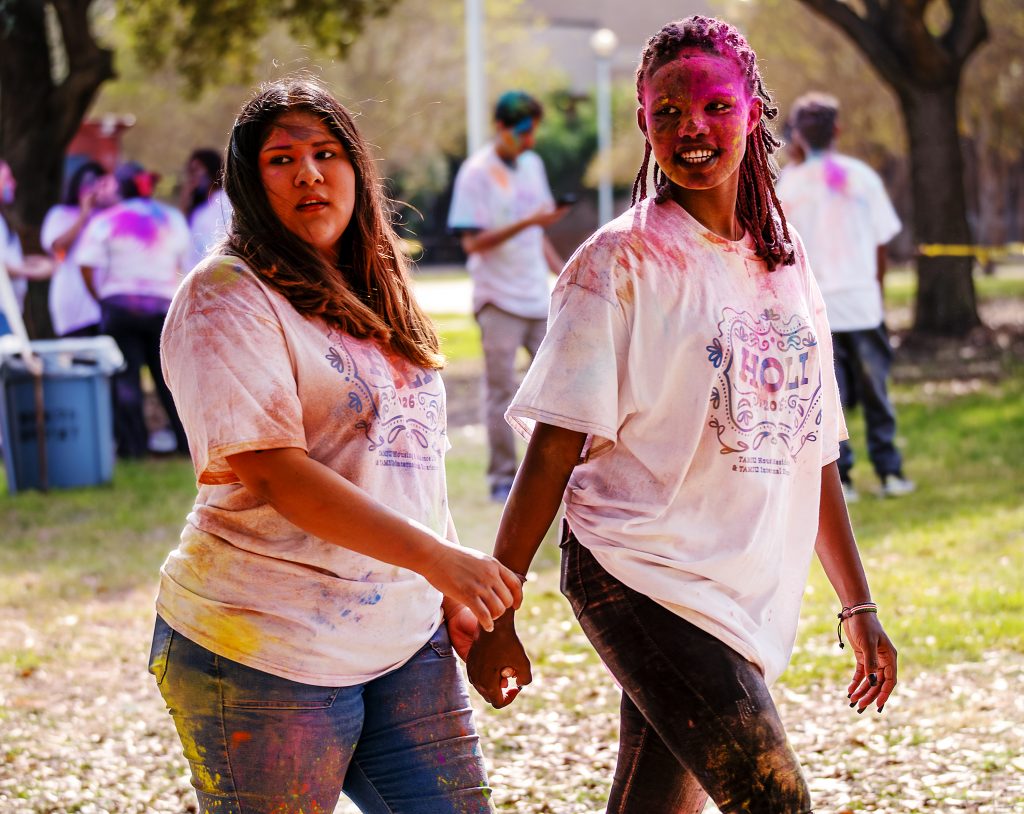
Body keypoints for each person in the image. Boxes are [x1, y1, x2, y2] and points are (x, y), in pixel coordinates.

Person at [466, 17, 898, 812]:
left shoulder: (787, 260)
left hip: (736, 585)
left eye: (714, 106)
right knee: (774, 801)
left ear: (752, 111)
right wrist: (499, 608)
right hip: (639, 572)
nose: (691, 128)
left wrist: (858, 605)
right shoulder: (616, 263)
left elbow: (814, 450)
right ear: (642, 123)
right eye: (667, 112)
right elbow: (556, 446)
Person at [150, 78, 523, 814]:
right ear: (248, 186)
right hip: (261, 646)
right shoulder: (226, 294)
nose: (310, 174)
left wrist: (448, 584)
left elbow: (412, 461)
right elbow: (276, 475)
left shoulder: (378, 290)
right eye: (280, 160)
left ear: (358, 169)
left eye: (326, 153)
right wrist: (440, 560)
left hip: (404, 638)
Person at [777, 93, 913, 501]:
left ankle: (844, 480)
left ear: (797, 136)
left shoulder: (790, 186)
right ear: (838, 130)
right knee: (877, 394)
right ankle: (890, 473)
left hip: (815, 312)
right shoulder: (861, 177)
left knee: (827, 402)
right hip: (862, 304)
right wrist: (877, 290)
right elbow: (881, 245)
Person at [447, 91, 569, 502]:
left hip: (537, 295)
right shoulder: (476, 173)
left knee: (559, 387)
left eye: (533, 132)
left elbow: (538, 233)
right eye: (523, 133)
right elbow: (472, 243)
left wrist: (563, 272)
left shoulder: (532, 165)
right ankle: (502, 477)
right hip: (497, 299)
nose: (530, 141)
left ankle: (561, 471)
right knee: (501, 391)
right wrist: (528, 221)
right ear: (501, 128)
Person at [76, 161, 191, 457]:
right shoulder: (171, 218)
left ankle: (134, 448)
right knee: (169, 380)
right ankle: (186, 445)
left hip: (120, 308)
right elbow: (185, 263)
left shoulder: (107, 220)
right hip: (162, 309)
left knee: (126, 379)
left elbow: (86, 263)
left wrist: (99, 297)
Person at [43, 161, 120, 337]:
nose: (93, 190)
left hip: (104, 305)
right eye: (89, 183)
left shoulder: (110, 216)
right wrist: (84, 214)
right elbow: (58, 247)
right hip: (73, 305)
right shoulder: (60, 214)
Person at [180, 147, 233, 268]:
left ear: (212, 170)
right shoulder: (199, 210)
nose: (192, 177)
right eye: (190, 171)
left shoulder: (227, 202)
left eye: (196, 170)